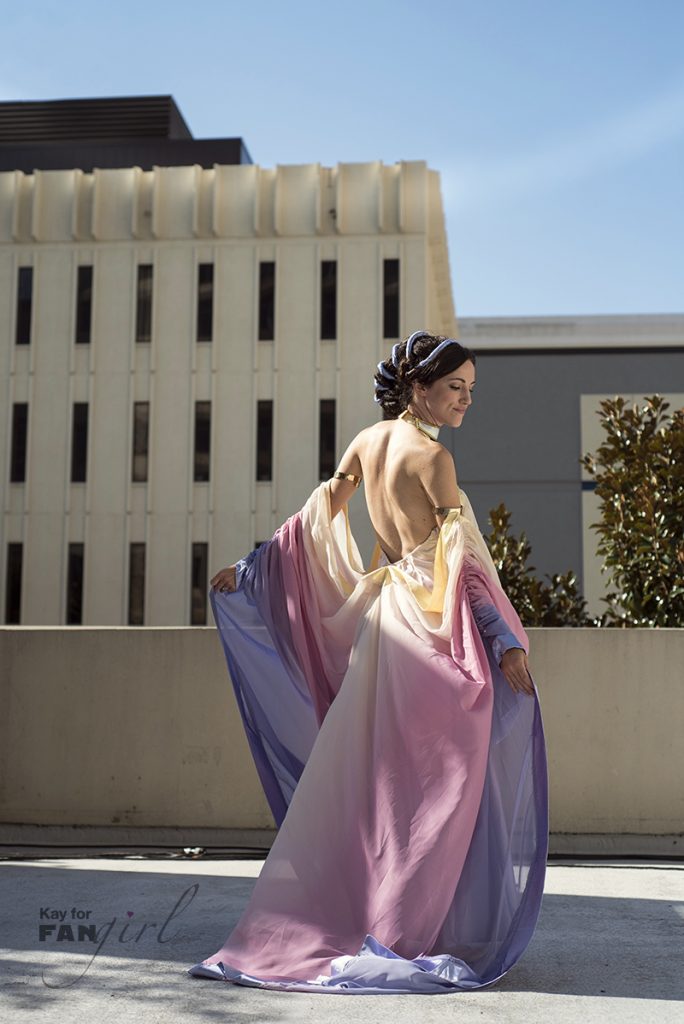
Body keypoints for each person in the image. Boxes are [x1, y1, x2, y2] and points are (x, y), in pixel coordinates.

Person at [187, 330, 549, 994]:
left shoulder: (364, 440)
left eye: (471, 390)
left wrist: (250, 567)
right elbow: (463, 568)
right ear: (420, 388)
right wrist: (506, 643)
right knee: (436, 789)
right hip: (429, 633)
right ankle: (405, 931)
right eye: (454, 389)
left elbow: (316, 514)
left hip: (381, 628)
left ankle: (386, 917)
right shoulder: (434, 461)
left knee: (384, 789)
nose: (465, 402)